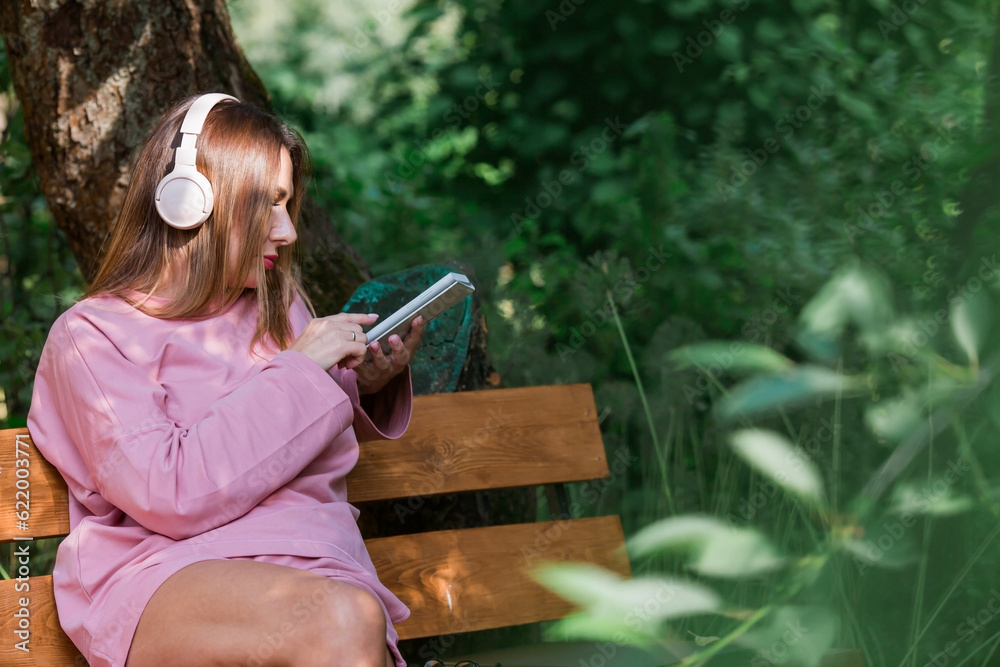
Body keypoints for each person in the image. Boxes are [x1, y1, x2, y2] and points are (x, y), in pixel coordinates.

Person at [26, 93, 424, 667]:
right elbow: (174, 493)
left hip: (318, 564)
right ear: (192, 202)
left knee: (344, 617)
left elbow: (286, 436)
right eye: (268, 204)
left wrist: (363, 386)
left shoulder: (280, 309)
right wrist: (302, 369)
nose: (286, 231)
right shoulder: (92, 336)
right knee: (343, 620)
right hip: (169, 572)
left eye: (289, 206)